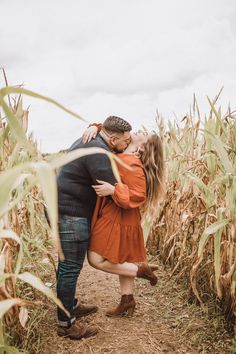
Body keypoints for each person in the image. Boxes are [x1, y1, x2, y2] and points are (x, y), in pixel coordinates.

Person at [56, 116, 132, 339]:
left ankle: (69, 306)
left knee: (66, 267)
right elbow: (112, 189)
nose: (126, 145)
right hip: (70, 214)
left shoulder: (92, 140)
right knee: (70, 268)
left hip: (64, 209)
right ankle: (66, 324)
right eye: (125, 141)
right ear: (114, 138)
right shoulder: (99, 152)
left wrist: (95, 125)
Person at [83, 125, 164, 317]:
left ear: (142, 147)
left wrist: (113, 190)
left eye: (145, 135)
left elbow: (139, 195)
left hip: (117, 217)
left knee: (95, 259)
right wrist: (96, 127)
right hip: (122, 217)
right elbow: (112, 133)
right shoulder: (122, 152)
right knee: (122, 258)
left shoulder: (133, 163)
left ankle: (140, 270)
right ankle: (127, 300)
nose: (140, 131)